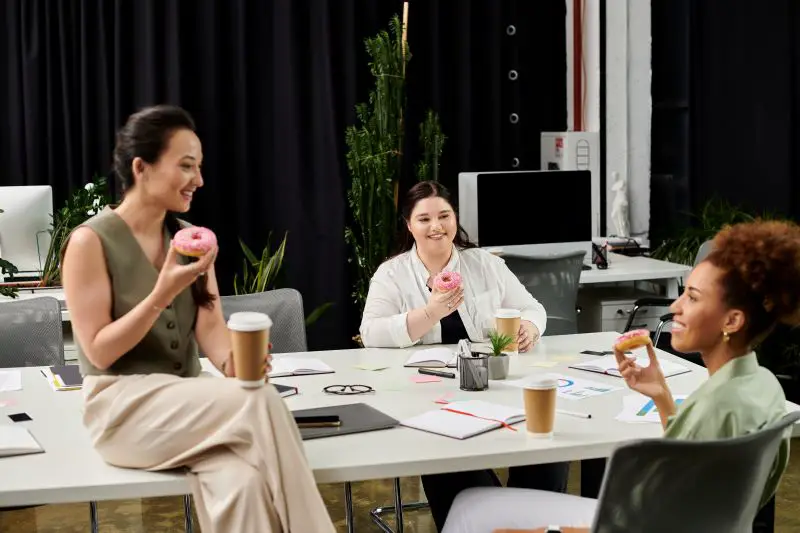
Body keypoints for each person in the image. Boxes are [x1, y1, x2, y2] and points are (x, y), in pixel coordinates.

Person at [60, 105, 335, 533]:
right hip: (121, 409)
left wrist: (234, 364)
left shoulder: (191, 240)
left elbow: (210, 327)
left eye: (200, 167)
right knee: (261, 401)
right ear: (141, 167)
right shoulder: (88, 242)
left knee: (241, 482)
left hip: (191, 403)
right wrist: (162, 291)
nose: (199, 180)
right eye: (186, 166)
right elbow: (97, 350)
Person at [440, 219, 800, 533]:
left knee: (471, 507)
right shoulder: (762, 387)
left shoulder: (716, 405)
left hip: (639, 525)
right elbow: (697, 480)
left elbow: (653, 518)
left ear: (732, 321)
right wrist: (661, 396)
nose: (675, 306)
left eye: (692, 297)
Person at [359, 181, 570, 531]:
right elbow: (372, 333)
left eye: (444, 216)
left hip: (496, 387)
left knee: (545, 448)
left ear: (455, 219)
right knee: (449, 457)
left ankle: (529, 524)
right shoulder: (392, 274)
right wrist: (431, 312)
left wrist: (530, 328)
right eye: (424, 219)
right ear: (409, 225)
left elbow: (533, 308)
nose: (436, 226)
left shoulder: (484, 264)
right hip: (427, 397)